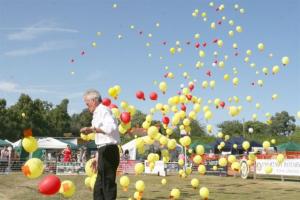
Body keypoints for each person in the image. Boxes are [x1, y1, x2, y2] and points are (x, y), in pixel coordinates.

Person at [81, 89, 120, 200]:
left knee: (107, 184)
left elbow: (111, 128)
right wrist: (98, 157)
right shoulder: (97, 113)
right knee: (98, 188)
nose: (87, 106)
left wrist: (92, 129)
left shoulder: (103, 110)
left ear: (94, 100)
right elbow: (102, 139)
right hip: (104, 151)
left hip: (109, 150)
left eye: (87, 103)